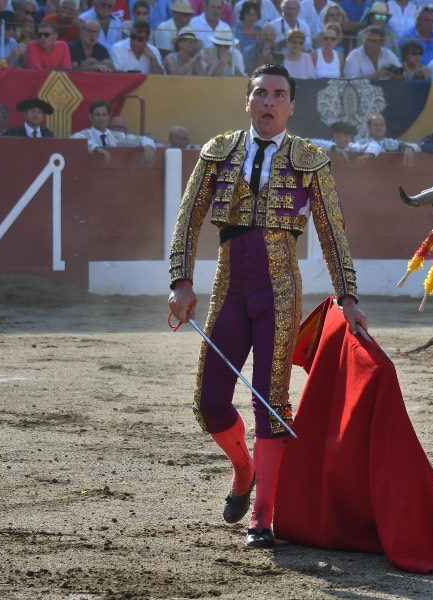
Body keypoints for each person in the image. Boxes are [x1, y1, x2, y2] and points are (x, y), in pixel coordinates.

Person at [168, 62, 366, 551]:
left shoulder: (310, 158)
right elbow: (189, 217)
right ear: (248, 101)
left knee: (270, 404)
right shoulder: (218, 152)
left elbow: (332, 231)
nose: (269, 102)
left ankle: (262, 520)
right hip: (229, 287)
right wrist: (181, 282)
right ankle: (244, 470)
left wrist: (349, 296)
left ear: (291, 105)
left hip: (279, 292)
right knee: (210, 402)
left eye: (278, 94)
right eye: (261, 93)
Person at [72, 99, 156, 165]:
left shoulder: (117, 136)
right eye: (97, 114)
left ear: (108, 117)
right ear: (90, 117)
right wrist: (96, 149)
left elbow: (139, 139)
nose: (101, 118)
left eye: (104, 115)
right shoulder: (86, 134)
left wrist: (148, 146)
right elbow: (74, 140)